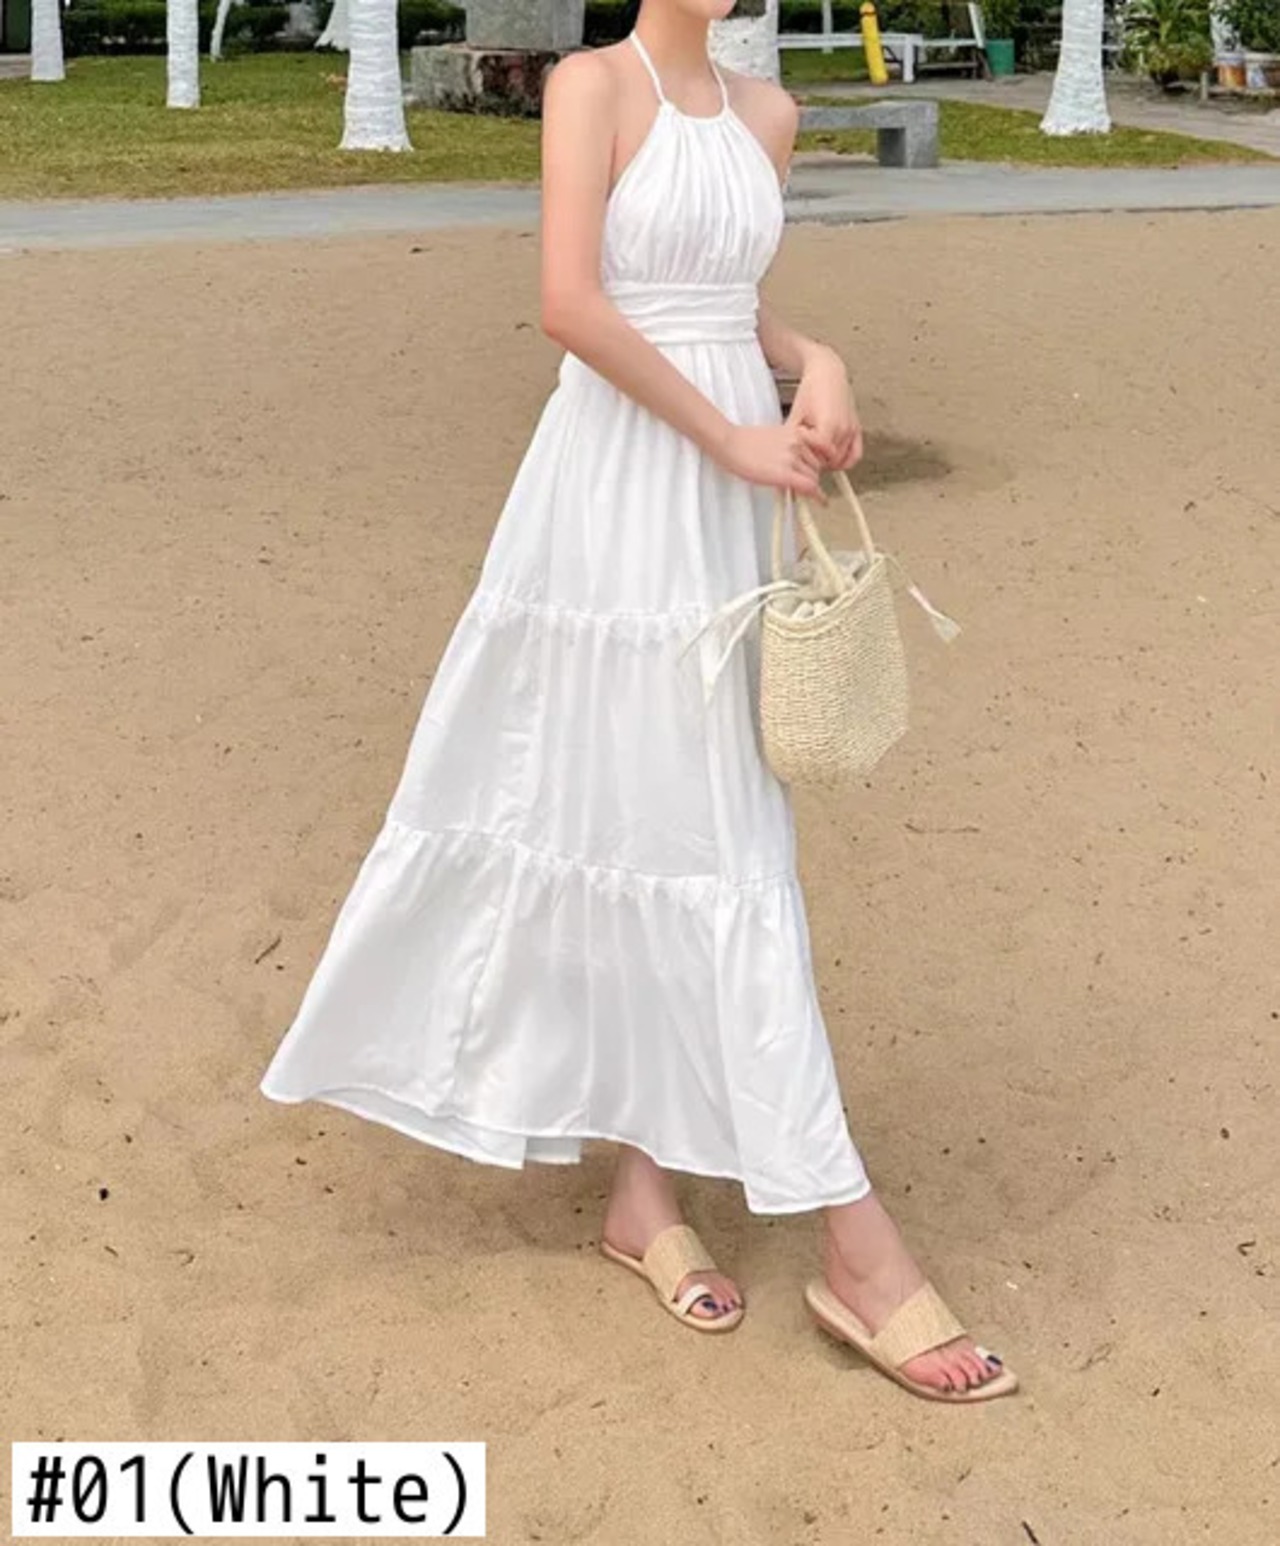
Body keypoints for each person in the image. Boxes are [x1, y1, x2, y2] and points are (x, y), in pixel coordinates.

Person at [259, 0, 1016, 1402]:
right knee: (634, 806)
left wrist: (817, 361)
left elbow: (729, 301)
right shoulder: (590, 87)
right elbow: (573, 301)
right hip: (615, 488)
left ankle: (646, 1195)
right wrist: (728, 431)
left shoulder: (767, 112)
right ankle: (843, 1245)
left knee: (700, 816)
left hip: (724, 495)